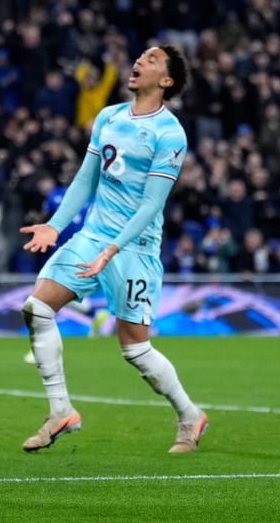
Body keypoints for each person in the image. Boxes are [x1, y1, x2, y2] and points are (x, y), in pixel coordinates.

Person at [18, 45, 208, 454]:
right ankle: (60, 411)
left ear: (167, 80)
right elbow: (85, 181)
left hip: (135, 248)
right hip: (92, 236)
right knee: (37, 308)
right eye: (141, 56)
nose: (139, 61)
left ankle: (190, 415)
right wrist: (55, 226)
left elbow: (152, 204)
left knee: (135, 349)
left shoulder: (170, 133)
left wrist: (115, 248)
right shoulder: (108, 116)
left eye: (151, 60)